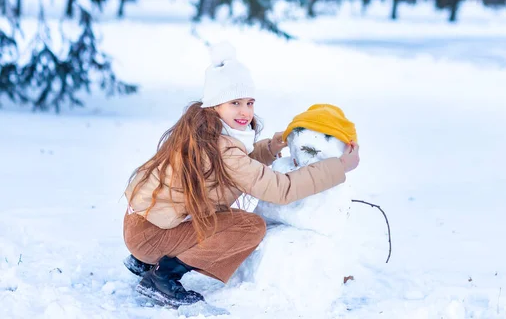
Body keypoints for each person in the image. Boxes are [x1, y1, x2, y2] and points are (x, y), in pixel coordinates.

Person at [122, 42, 360, 307]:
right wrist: (338, 167)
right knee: (248, 227)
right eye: (235, 103)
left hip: (143, 226)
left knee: (224, 219)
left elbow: (235, 167)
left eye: (249, 102)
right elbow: (280, 189)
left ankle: (146, 258)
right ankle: (164, 276)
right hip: (152, 235)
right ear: (214, 106)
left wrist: (270, 147)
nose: (245, 111)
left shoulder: (205, 134)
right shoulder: (222, 147)